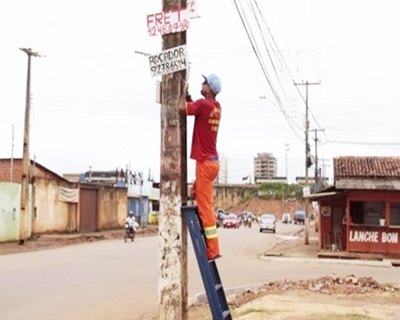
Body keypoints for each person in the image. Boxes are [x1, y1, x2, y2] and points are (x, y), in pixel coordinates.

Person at [179, 73, 222, 260]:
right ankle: (203, 226)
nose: (202, 84)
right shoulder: (216, 107)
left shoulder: (204, 105)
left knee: (205, 206)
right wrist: (189, 97)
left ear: (210, 88)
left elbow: (183, 109)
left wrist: (181, 92)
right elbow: (195, 108)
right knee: (197, 193)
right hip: (212, 162)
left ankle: (213, 249)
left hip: (205, 163)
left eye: (205, 83)